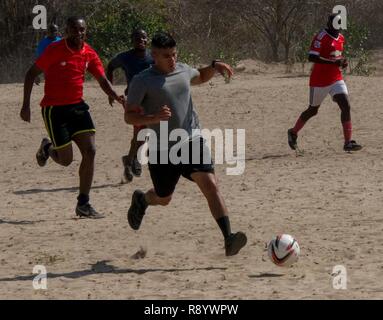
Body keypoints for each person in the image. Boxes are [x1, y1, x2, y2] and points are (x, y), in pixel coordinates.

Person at [125, 32, 247, 256]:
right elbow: (129, 117)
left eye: (174, 54)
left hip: (191, 139)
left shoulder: (182, 69)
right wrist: (153, 118)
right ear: (154, 55)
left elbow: (199, 76)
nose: (172, 60)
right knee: (164, 198)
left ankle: (228, 238)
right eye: (166, 56)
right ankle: (142, 200)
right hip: (161, 148)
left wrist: (214, 65)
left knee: (210, 183)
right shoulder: (142, 81)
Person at [20, 16, 125, 219]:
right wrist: (25, 105)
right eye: (74, 30)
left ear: (86, 31)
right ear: (66, 31)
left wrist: (116, 96)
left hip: (77, 107)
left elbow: (102, 79)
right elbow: (30, 74)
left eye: (82, 30)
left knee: (91, 150)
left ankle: (83, 203)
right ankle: (47, 148)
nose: (78, 34)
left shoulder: (88, 52)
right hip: (54, 110)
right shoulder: (54, 50)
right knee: (66, 160)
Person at [287, 13, 362, 152]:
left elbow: (337, 56)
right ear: (329, 24)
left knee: (345, 105)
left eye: (338, 26)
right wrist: (334, 62)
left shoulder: (341, 38)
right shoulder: (320, 37)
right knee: (313, 110)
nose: (336, 29)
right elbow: (312, 57)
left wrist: (342, 62)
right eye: (333, 25)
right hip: (319, 80)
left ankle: (347, 143)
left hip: (336, 78)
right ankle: (293, 132)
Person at [106, 28, 154, 182]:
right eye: (137, 38)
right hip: (134, 100)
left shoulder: (152, 57)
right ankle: (134, 159)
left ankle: (130, 159)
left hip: (151, 99)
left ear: (148, 39)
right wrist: (110, 91)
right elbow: (110, 67)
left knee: (146, 132)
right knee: (141, 131)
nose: (141, 41)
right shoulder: (125, 57)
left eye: (144, 38)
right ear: (132, 41)